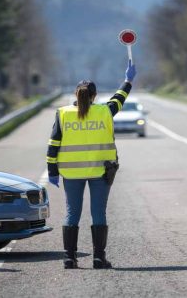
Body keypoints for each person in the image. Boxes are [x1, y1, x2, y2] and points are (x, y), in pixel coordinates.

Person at [46, 60, 137, 269]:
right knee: (98, 212)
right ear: (94, 96)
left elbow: (53, 145)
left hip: (71, 173)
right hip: (100, 171)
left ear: (76, 95)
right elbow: (119, 98)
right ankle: (98, 258)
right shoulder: (105, 111)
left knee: (72, 213)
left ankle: (69, 258)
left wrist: (52, 171)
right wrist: (128, 80)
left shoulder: (62, 113)